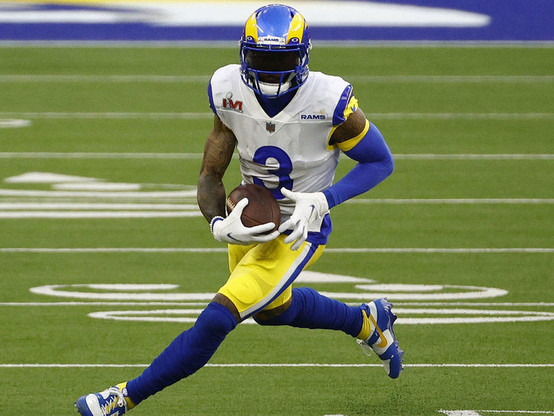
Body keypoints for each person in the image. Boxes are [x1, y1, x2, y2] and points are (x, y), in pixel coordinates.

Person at [74, 4, 403, 415]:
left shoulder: (329, 100)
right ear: (244, 54)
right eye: (261, 58)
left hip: (299, 228)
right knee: (271, 310)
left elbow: (380, 161)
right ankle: (366, 321)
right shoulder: (228, 90)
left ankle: (123, 397)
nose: (270, 71)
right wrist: (217, 222)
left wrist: (324, 200)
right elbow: (210, 174)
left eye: (280, 60)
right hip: (250, 217)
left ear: (302, 57)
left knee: (218, 318)